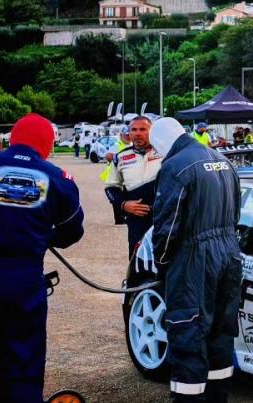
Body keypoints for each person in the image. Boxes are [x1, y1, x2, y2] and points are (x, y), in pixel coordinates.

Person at [0, 113, 84, 401]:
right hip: (22, 284)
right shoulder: (58, 179)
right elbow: (72, 231)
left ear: (13, 137)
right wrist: (39, 238)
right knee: (24, 365)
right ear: (47, 144)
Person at [150, 117, 241, 403]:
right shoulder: (223, 160)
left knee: (188, 334)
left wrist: (163, 264)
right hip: (228, 254)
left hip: (194, 261)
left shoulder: (174, 167)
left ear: (161, 144)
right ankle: (218, 398)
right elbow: (235, 214)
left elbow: (167, 225)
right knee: (220, 333)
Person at [102, 116, 161, 256]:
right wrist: (123, 204)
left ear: (151, 131)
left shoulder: (166, 152)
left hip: (164, 216)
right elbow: (110, 187)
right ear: (129, 133)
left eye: (143, 129)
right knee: (137, 259)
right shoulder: (120, 157)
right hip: (137, 219)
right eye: (134, 130)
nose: (138, 133)